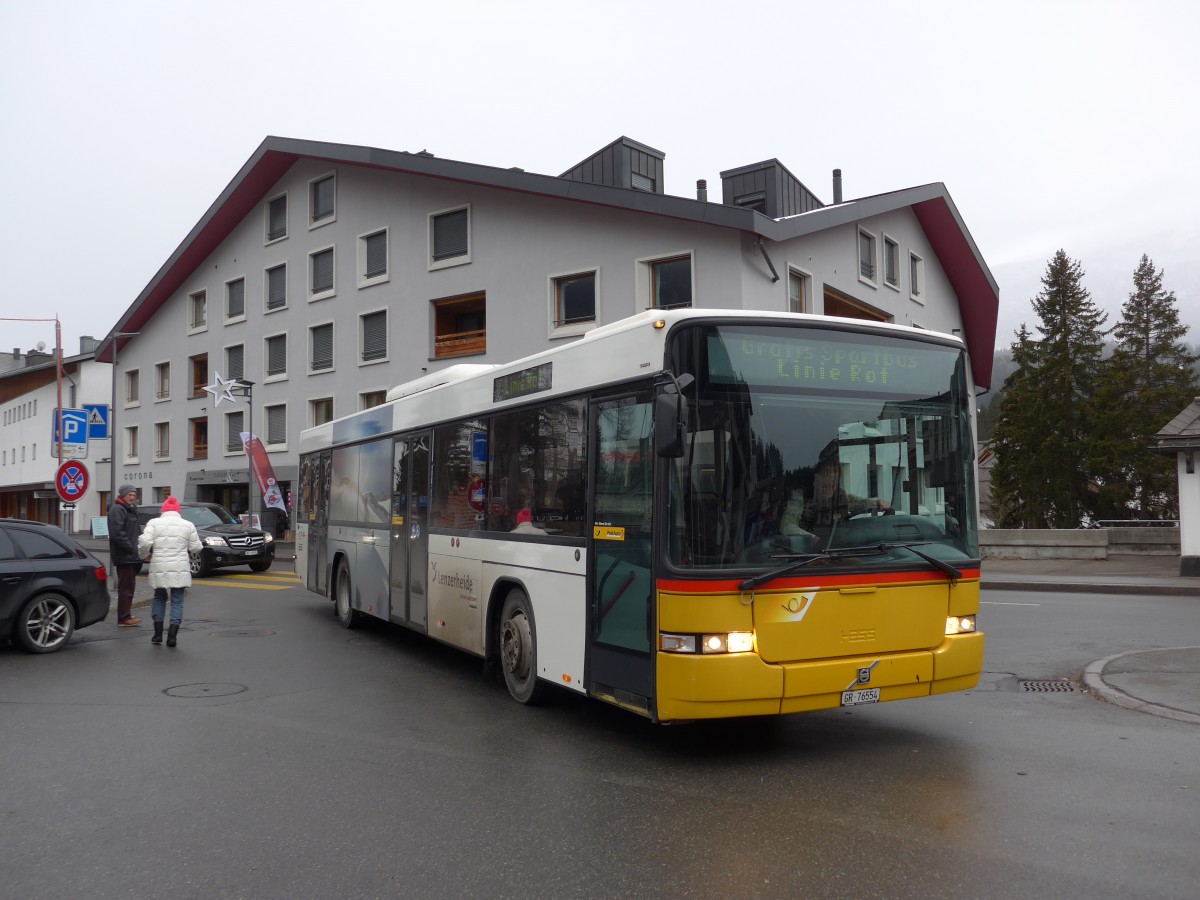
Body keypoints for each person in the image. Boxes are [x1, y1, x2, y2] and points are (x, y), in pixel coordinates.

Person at [137, 496, 202, 647]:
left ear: (163, 510)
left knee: (159, 597)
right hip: (180, 567)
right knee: (177, 600)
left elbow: (145, 541)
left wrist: (143, 554)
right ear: (178, 510)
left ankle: (157, 635)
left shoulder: (153, 523)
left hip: (159, 565)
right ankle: (172, 637)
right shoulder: (188, 525)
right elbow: (196, 548)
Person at [107, 484, 143, 627]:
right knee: (125, 587)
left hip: (132, 555)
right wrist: (131, 549)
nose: (133, 497)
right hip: (125, 556)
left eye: (134, 495)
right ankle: (123, 618)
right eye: (130, 495)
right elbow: (117, 534)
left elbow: (136, 531)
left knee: (130, 587)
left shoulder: (131, 510)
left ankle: (126, 615)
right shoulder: (118, 510)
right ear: (123, 495)